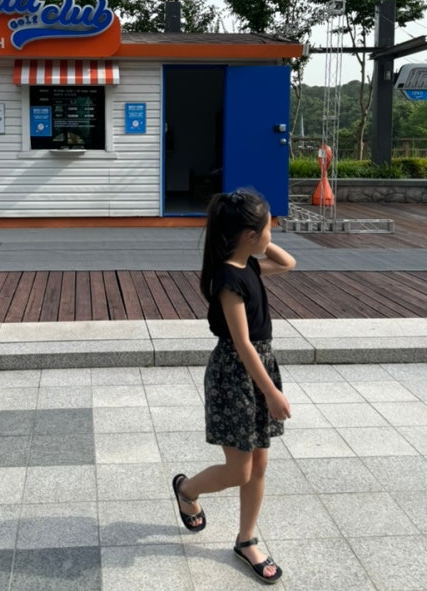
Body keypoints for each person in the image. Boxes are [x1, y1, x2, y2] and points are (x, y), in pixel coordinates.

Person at [172, 187, 295, 585]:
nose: (272, 232)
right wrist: (272, 392)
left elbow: (289, 263)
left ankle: (246, 540)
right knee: (240, 471)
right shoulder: (228, 278)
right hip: (234, 376)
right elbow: (242, 344)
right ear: (248, 235)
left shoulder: (249, 265)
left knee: (259, 464)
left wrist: (260, 241)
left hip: (258, 367)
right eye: (268, 227)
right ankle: (187, 490)